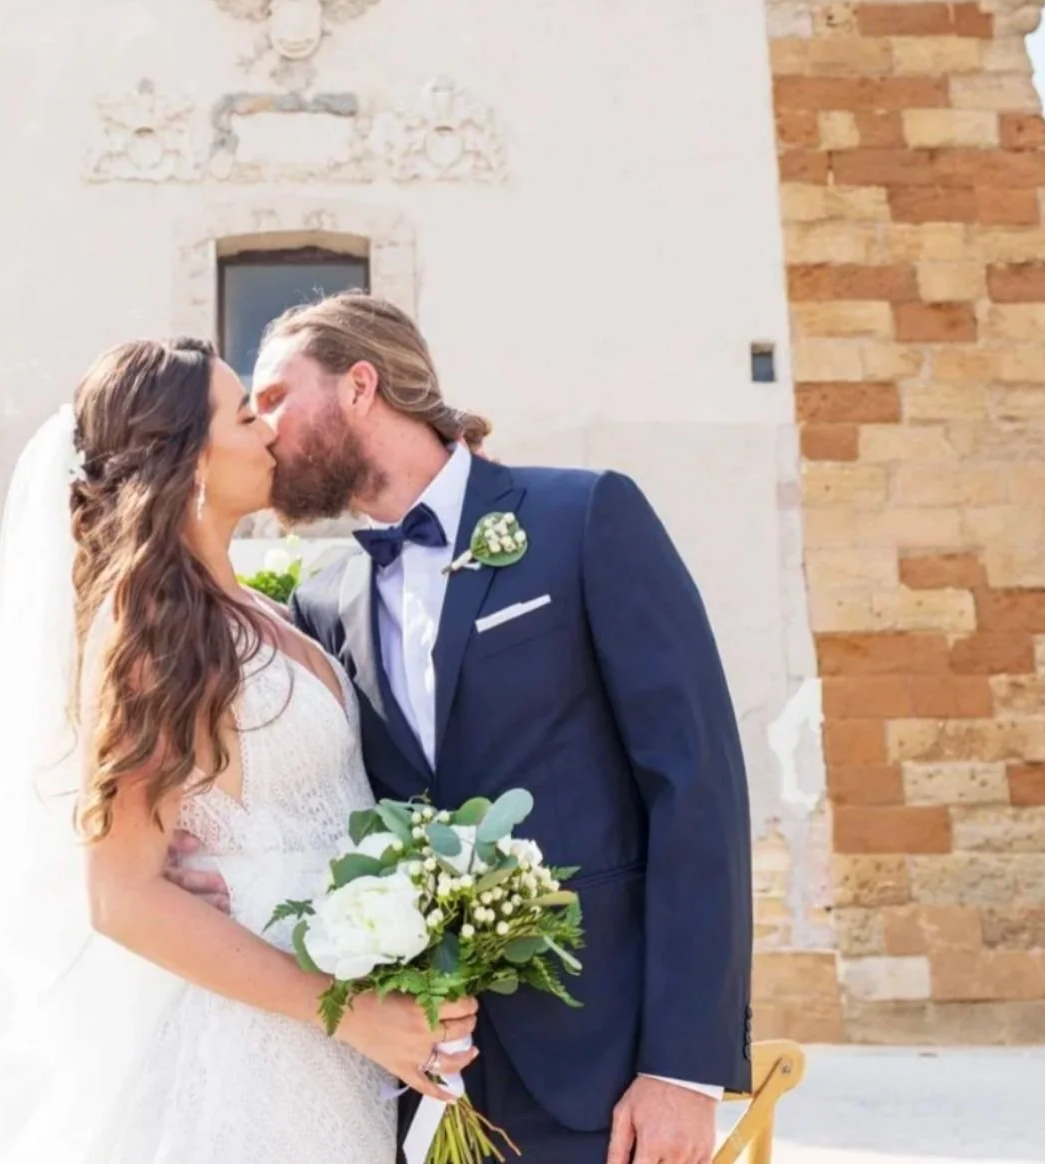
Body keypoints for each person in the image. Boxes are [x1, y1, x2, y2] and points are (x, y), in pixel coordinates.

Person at [174, 291, 753, 1164]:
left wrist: (684, 1068)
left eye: (278, 397)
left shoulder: (585, 520)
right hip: (414, 1079)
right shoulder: (325, 602)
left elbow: (697, 790)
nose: (262, 426)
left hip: (605, 1068)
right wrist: (189, 851)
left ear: (361, 385)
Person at [0, 336, 477, 1164]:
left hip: (326, 1045)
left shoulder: (263, 609)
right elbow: (123, 896)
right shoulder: (151, 634)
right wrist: (349, 1012)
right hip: (246, 1052)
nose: (268, 434)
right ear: (188, 459)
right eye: (247, 414)